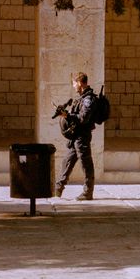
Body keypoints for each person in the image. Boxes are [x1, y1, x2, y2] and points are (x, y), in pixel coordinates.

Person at [54, 72, 96, 201]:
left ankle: (88, 192)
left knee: (86, 163)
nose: (73, 86)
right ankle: (58, 187)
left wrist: (68, 116)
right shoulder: (82, 97)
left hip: (82, 136)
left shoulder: (88, 99)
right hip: (76, 136)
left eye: (74, 84)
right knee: (67, 161)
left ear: (80, 83)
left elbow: (84, 118)